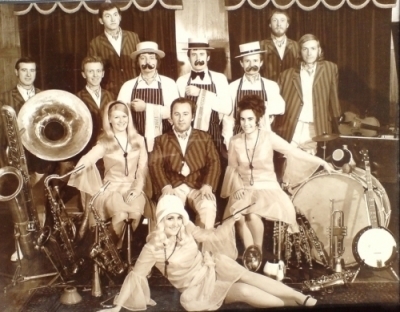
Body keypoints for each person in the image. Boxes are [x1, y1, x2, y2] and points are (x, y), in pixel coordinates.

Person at [97, 195, 317, 312]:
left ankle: (301, 298)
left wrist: (231, 219)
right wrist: (116, 308)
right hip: (197, 288)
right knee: (246, 292)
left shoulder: (187, 228)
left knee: (250, 276)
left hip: (212, 265)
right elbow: (135, 276)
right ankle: (293, 304)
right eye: (169, 218)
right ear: (161, 221)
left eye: (178, 217)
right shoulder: (152, 247)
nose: (175, 223)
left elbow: (211, 236)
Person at [221, 95, 334, 253]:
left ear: (258, 120)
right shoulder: (235, 141)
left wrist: (321, 162)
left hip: (267, 188)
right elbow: (232, 168)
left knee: (252, 215)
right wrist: (238, 187)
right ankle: (251, 256)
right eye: (242, 119)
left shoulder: (268, 137)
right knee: (238, 217)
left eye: (250, 119)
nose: (246, 124)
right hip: (243, 188)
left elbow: (292, 151)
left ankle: (257, 251)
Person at [68, 100, 147, 240]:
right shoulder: (105, 142)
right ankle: (111, 251)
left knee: (135, 215)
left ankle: (122, 250)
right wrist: (76, 170)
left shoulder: (139, 140)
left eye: (124, 116)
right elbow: (88, 159)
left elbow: (142, 168)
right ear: (109, 119)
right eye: (116, 117)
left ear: (129, 117)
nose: (121, 121)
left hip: (133, 187)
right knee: (121, 215)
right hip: (110, 189)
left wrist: (138, 188)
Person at [149, 98, 220, 229]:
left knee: (208, 206)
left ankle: (201, 248)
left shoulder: (205, 137)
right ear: (170, 118)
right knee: (170, 208)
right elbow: (155, 165)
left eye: (185, 114)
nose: (181, 119)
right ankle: (176, 248)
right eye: (177, 114)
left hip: (198, 186)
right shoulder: (161, 140)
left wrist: (208, 185)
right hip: (173, 186)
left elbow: (214, 162)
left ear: (192, 117)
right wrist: (165, 186)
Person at [0, 57, 42, 261]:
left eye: (32, 70)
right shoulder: (5, 97)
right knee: (18, 204)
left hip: (38, 159)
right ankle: (19, 244)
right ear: (16, 72)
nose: (28, 74)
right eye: (24, 70)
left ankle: (40, 241)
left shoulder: (44, 95)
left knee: (38, 202)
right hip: (15, 158)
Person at [275, 34, 341, 155]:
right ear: (300, 52)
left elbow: (334, 100)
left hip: (316, 127)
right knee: (289, 162)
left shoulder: (330, 69)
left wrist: (337, 127)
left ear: (319, 50)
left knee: (311, 164)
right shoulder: (286, 75)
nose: (309, 53)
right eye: (305, 49)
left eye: (313, 48)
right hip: (293, 126)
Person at [118, 41, 179, 152]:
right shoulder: (127, 86)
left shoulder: (169, 84)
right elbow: (119, 114)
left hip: (164, 141)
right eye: (143, 58)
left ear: (157, 61)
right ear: (137, 62)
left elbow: (174, 113)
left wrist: (146, 107)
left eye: (152, 58)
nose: (147, 62)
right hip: (135, 143)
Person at [223, 41, 285, 148]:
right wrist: (229, 144)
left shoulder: (270, 86)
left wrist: (265, 110)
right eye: (247, 61)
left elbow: (281, 107)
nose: (252, 65)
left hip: (263, 140)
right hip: (239, 141)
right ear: (241, 63)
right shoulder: (232, 87)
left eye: (255, 60)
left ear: (261, 62)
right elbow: (228, 120)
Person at [176, 38, 231, 152]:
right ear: (188, 57)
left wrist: (201, 93)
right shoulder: (181, 81)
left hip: (213, 134)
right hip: (187, 137)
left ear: (208, 57)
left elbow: (227, 108)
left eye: (202, 54)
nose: (198, 58)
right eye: (194, 54)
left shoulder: (220, 78)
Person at [88, 2, 140, 96]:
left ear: (120, 17)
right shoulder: (95, 43)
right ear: (101, 20)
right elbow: (93, 70)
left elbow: (140, 63)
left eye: (115, 15)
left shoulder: (133, 37)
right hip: (110, 92)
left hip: (134, 89)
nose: (113, 19)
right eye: (108, 16)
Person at [76, 56, 115, 155]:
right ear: (84, 74)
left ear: (103, 73)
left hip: (109, 148)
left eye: (98, 71)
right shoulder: (77, 98)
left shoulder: (111, 96)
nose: (95, 75)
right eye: (90, 71)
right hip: (87, 149)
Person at [260, 9, 299, 82]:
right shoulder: (261, 45)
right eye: (275, 20)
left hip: (291, 90)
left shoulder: (297, 46)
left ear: (287, 24)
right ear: (270, 24)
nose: (279, 24)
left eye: (282, 20)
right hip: (269, 90)